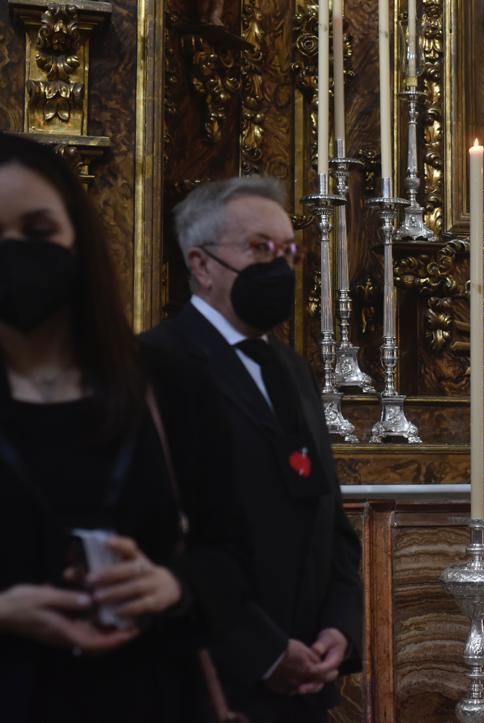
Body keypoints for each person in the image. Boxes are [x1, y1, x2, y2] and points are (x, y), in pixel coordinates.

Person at [141, 176, 363, 723]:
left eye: (288, 250)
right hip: (214, 682)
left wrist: (340, 627)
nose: (281, 266)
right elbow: (162, 539)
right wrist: (262, 651)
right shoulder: (156, 363)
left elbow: (328, 514)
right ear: (201, 263)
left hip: (310, 679)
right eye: (260, 249)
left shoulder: (290, 369)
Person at [0, 133, 193, 722]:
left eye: (37, 233)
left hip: (140, 694)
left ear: (77, 240)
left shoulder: (161, 381)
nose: (15, 253)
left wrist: (171, 587)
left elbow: (229, 552)